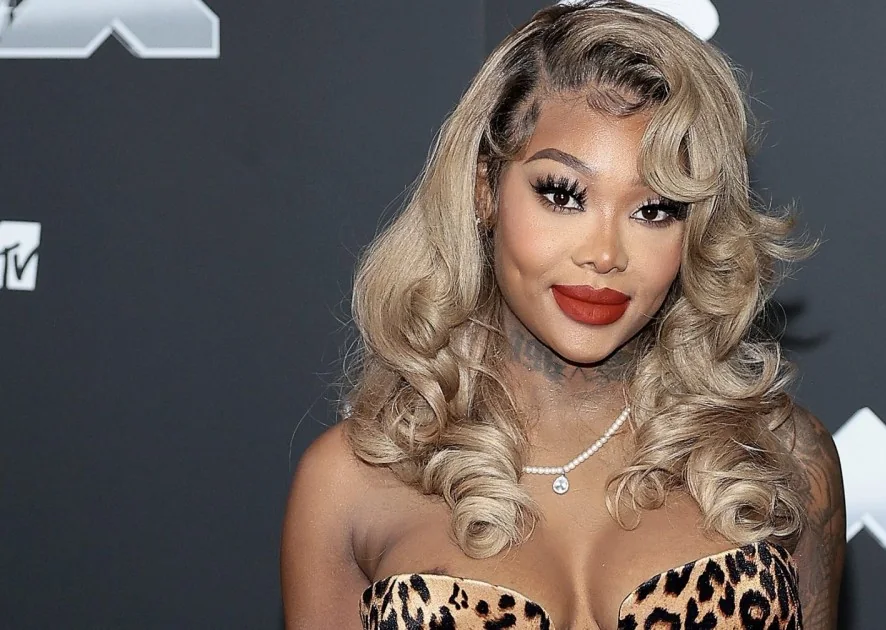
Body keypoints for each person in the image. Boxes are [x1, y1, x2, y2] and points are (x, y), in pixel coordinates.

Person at [281, 2, 845, 628]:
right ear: (484, 190)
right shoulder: (349, 482)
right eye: (563, 195)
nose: (605, 255)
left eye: (655, 210)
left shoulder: (781, 457)